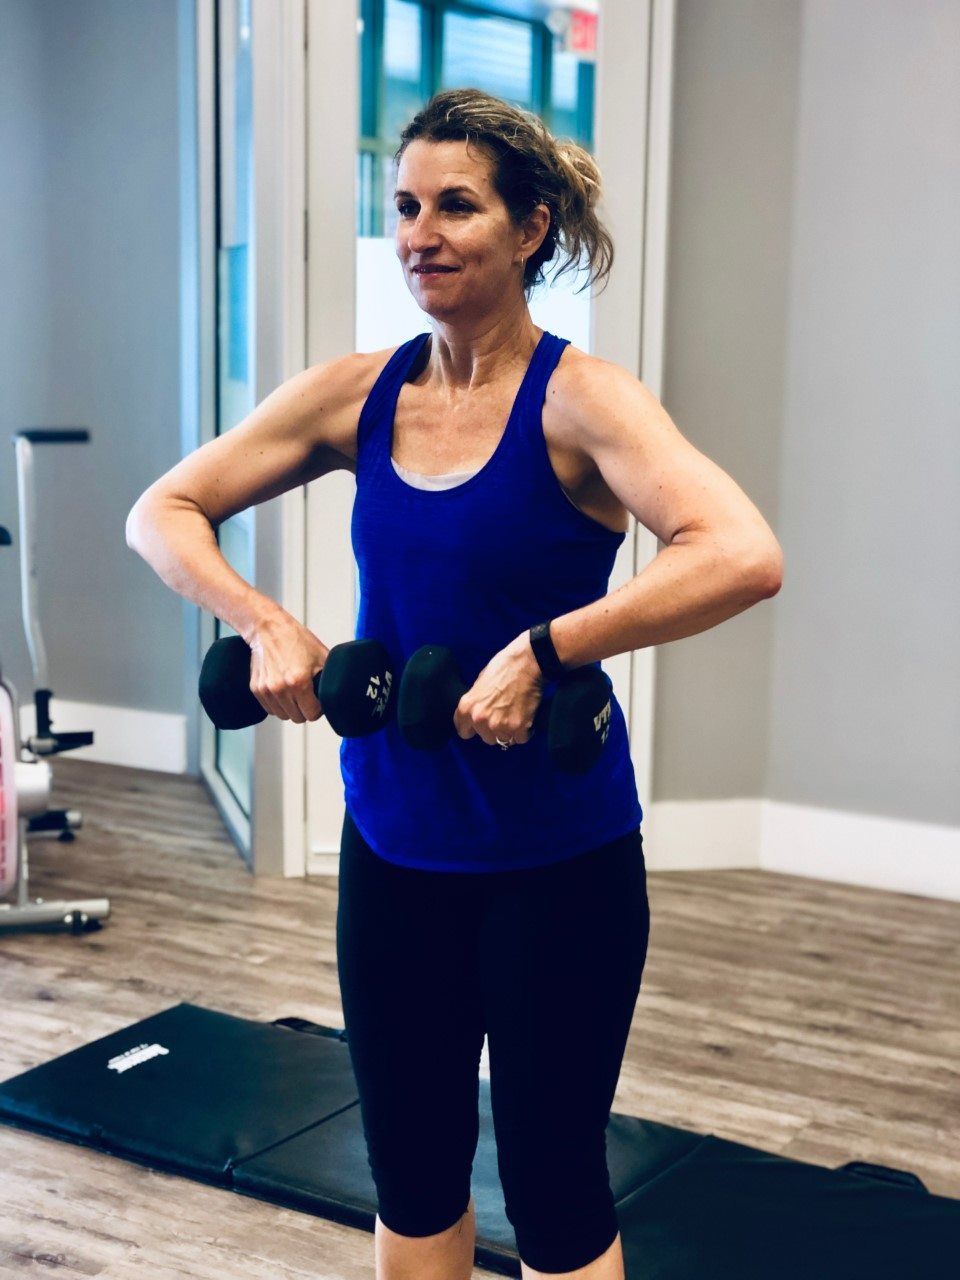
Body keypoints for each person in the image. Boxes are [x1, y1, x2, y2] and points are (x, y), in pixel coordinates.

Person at [127, 88, 782, 1280]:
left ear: (531, 227)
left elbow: (742, 552)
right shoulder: (359, 393)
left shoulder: (585, 399)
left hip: (558, 867)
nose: (419, 232)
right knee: (414, 1167)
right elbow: (160, 509)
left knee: (554, 1186)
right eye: (405, 207)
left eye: (456, 206)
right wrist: (263, 619)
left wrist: (548, 649)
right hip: (395, 852)